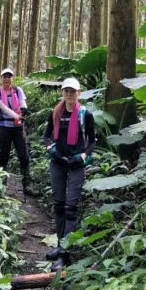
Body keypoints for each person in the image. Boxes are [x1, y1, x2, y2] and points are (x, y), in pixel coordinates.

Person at [44, 77, 95, 271]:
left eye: (72, 91)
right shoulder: (55, 113)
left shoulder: (85, 114)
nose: (68, 94)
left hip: (76, 165)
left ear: (78, 93)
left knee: (70, 208)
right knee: (58, 205)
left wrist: (82, 156)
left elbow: (92, 142)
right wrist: (51, 150)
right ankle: (60, 245)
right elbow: (46, 136)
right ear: (62, 93)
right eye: (66, 91)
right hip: (57, 163)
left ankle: (65, 255)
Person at [0, 68, 41, 197]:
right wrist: (17, 115)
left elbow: (22, 102)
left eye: (9, 76)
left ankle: (27, 186)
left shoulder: (18, 90)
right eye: (5, 76)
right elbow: (3, 108)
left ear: (12, 78)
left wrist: (24, 109)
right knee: (4, 157)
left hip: (18, 127)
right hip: (4, 127)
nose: (7, 79)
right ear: (1, 78)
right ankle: (1, 187)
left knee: (24, 156)